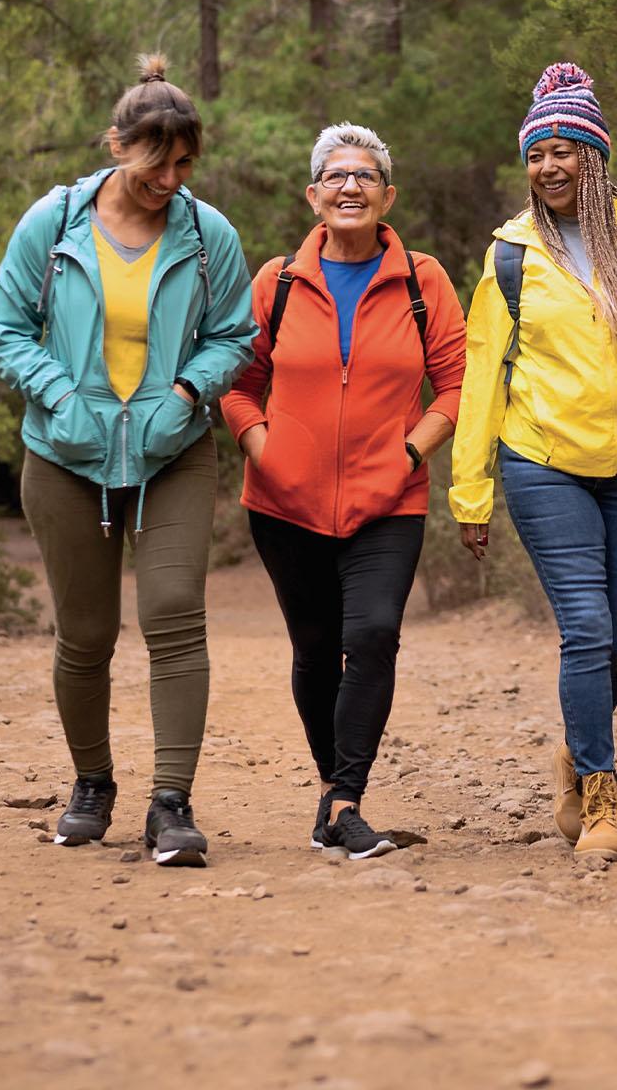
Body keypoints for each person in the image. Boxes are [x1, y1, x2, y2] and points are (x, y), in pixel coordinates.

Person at [0, 54, 256, 867]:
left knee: (172, 613)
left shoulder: (209, 235)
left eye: (183, 163)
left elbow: (234, 334)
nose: (169, 178)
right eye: (153, 160)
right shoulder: (54, 223)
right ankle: (92, 782)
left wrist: (184, 395)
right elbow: (2, 327)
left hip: (173, 451)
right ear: (116, 145)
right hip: (65, 455)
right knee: (86, 634)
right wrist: (59, 397)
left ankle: (171, 803)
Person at [449, 63, 617, 861]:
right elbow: (481, 380)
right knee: (587, 629)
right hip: (544, 461)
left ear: (594, 155)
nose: (550, 167)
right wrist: (471, 494)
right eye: (537, 154)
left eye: (565, 150)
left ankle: (575, 745)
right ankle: (602, 799)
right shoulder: (510, 253)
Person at [220, 124, 467, 861]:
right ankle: (335, 794)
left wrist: (411, 449)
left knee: (373, 636)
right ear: (313, 196)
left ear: (387, 196)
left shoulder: (424, 281)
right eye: (334, 175)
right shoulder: (277, 283)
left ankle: (346, 799)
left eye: (365, 176)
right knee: (316, 648)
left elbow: (455, 384)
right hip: (284, 502)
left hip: (389, 498)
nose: (349, 186)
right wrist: (263, 450)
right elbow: (237, 385)